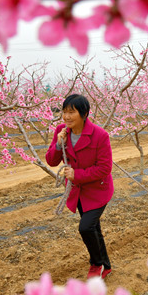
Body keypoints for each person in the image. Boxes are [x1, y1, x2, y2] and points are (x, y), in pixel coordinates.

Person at [46, 94, 113, 279]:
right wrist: (59, 144)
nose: (66, 117)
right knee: (94, 228)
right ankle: (106, 266)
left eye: (71, 112)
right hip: (78, 192)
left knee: (86, 227)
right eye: (64, 112)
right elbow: (51, 160)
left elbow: (105, 168)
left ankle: (96, 264)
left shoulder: (100, 135)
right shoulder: (62, 131)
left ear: (84, 114)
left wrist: (77, 174)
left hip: (98, 191)